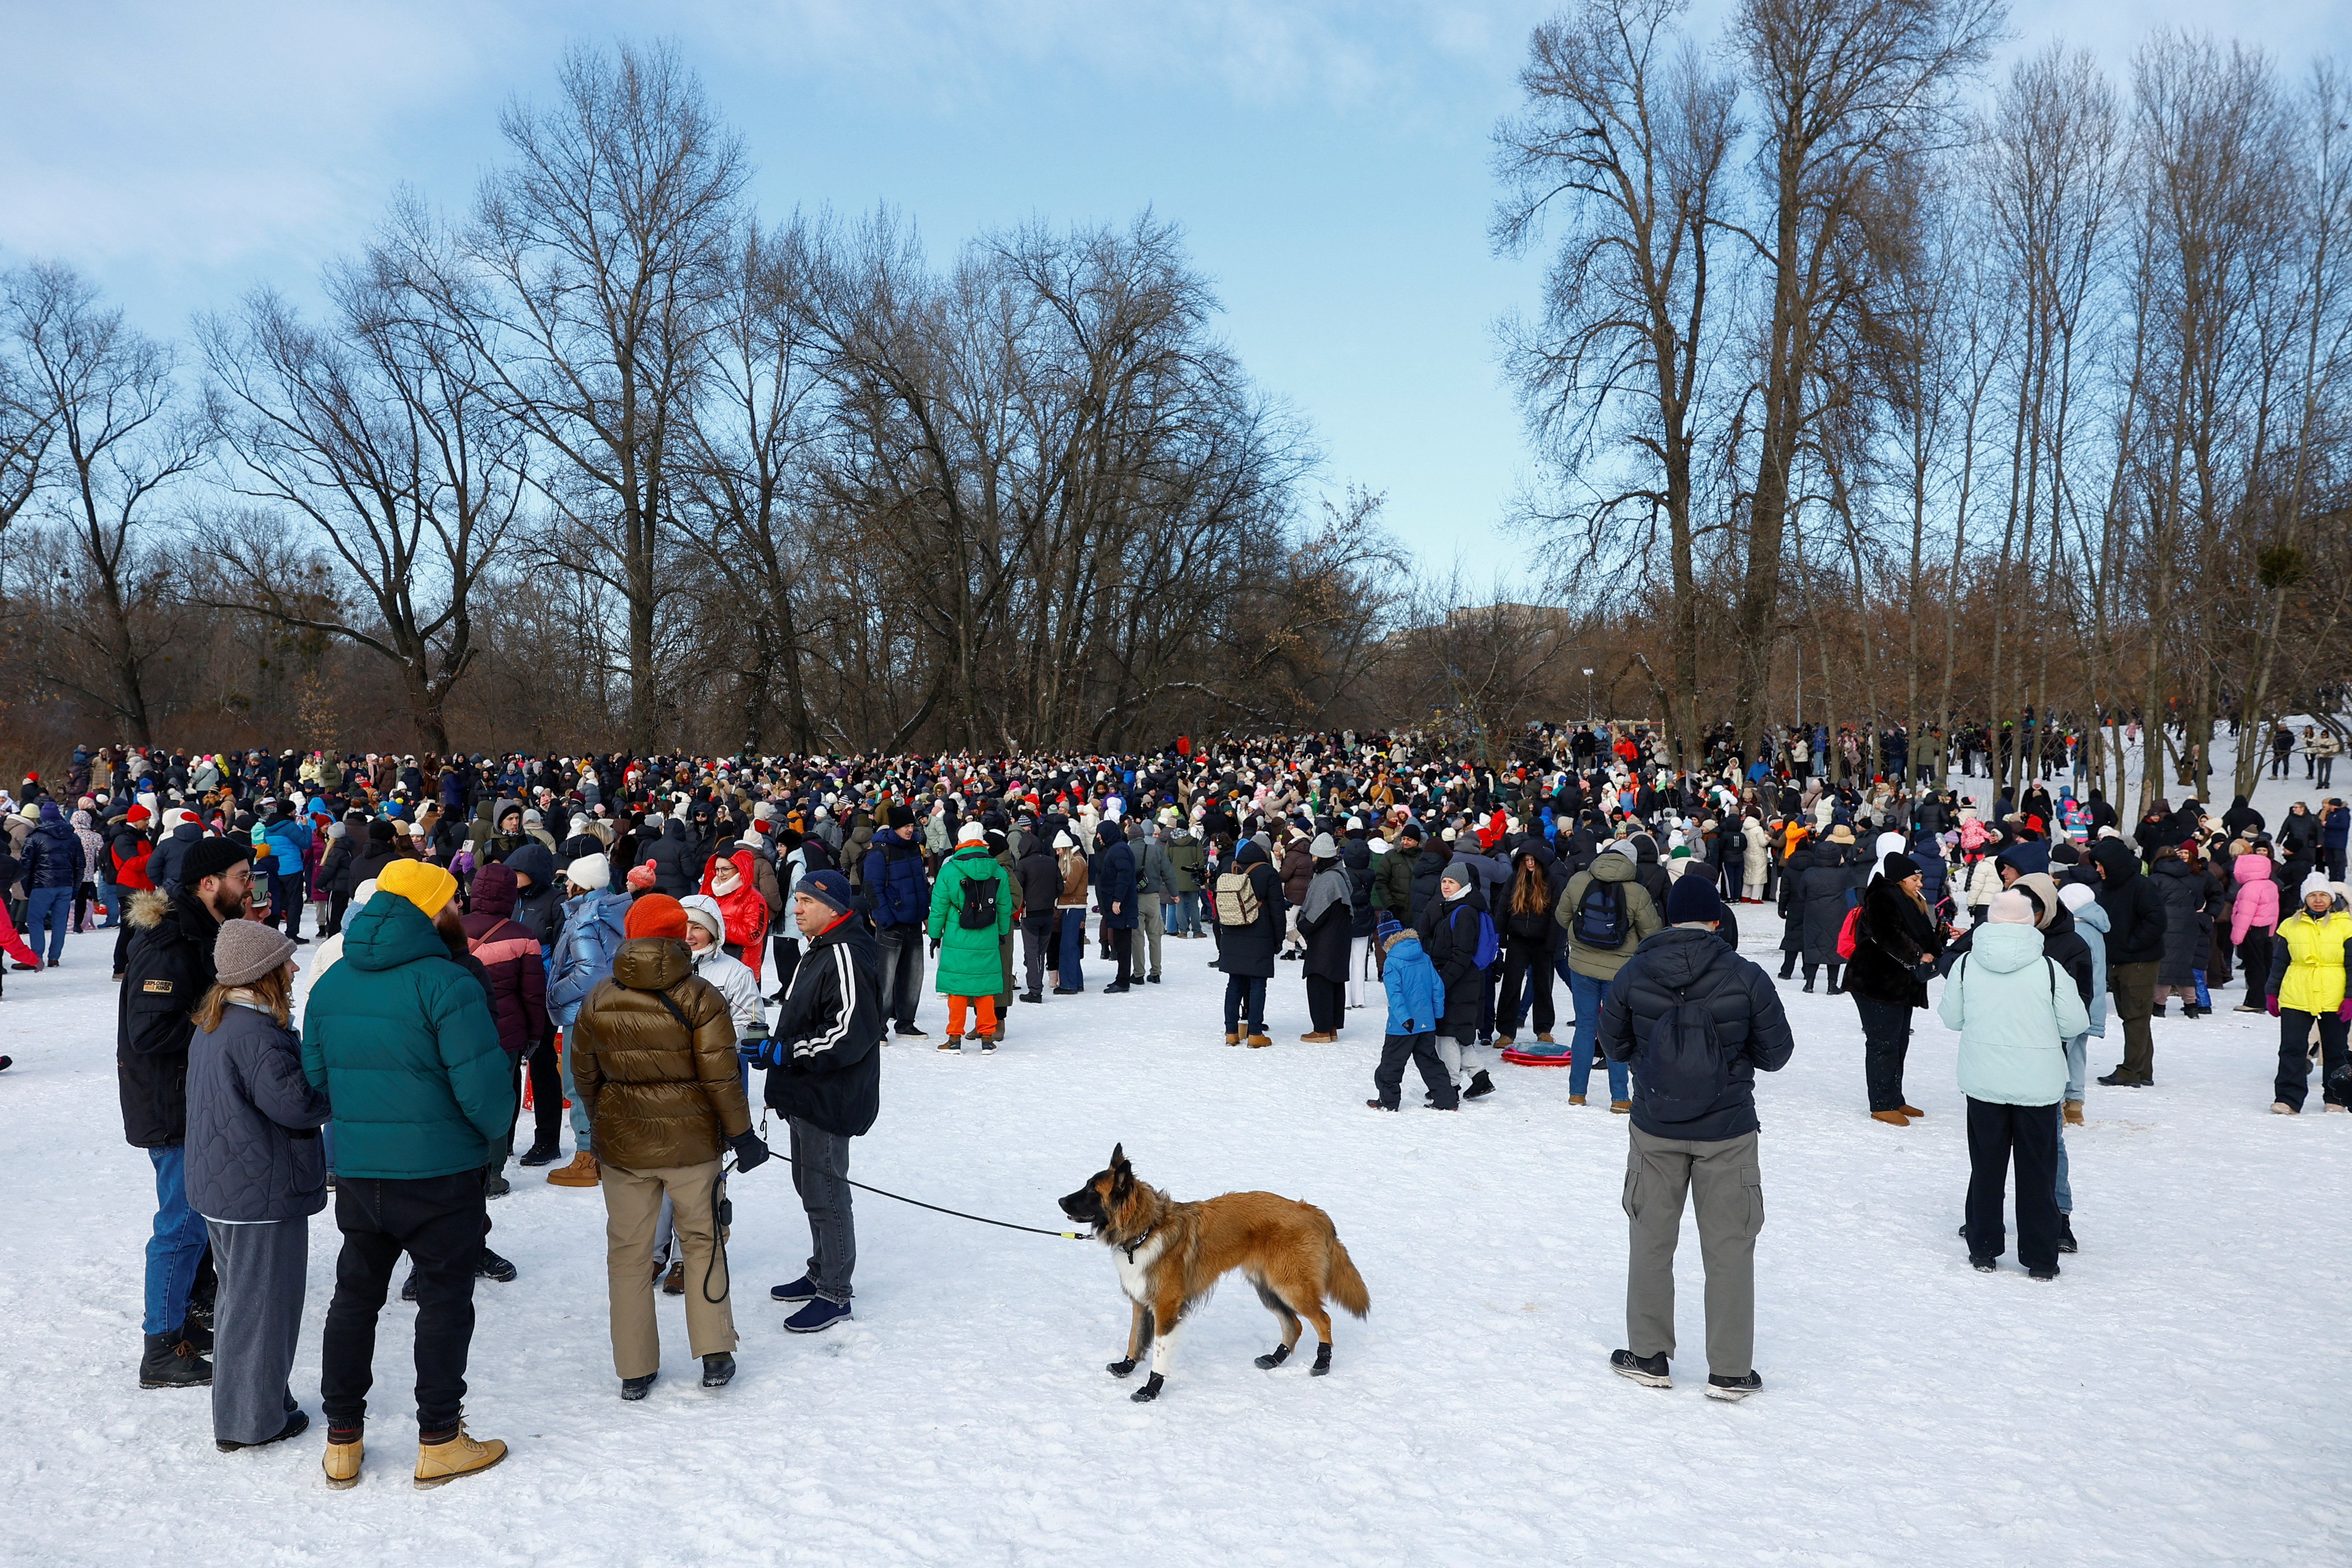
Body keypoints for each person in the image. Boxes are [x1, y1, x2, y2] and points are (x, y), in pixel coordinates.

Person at [303, 859, 513, 1490]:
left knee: (354, 1298)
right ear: (433, 909)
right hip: (440, 1173)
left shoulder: (335, 978)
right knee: (445, 1302)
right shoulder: (447, 982)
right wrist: (482, 1133)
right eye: (452, 901)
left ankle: (343, 1440)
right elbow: (488, 1096)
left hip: (362, 1171)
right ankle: (440, 1439)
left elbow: (317, 1079)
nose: (460, 909)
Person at [1599, 874, 1795, 1401]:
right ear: (1714, 919)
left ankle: (1647, 1354)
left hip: (1654, 1127)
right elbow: (1776, 1055)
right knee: (1730, 1245)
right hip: (1727, 1128)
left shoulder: (1633, 971)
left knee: (1650, 1238)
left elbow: (1612, 1048)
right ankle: (1729, 1370)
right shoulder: (1746, 976)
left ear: (1667, 918)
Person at [569, 892, 767, 1397]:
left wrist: (604, 1123)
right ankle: (715, 1350)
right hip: (692, 1146)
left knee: (629, 1254)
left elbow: (584, 1075)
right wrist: (742, 1136)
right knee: (704, 1241)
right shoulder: (701, 996)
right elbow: (722, 1077)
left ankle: (634, 1367)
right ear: (679, 935)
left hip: (625, 1146)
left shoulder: (598, 996)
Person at [183, 919, 327, 1452]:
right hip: (258, 1192)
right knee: (263, 1306)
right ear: (263, 974)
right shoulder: (258, 1036)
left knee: (243, 1302)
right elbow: (297, 1106)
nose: (294, 968)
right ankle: (250, 1421)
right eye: (285, 961)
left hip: (228, 1188)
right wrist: (331, 1084)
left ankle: (262, 1398)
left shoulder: (219, 1021)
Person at [120, 835, 257, 1390]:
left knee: (196, 1220)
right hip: (171, 1106)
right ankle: (160, 1347)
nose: (249, 887)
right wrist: (223, 1019)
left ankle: (181, 1324)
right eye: (242, 876)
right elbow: (149, 1031)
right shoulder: (171, 941)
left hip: (192, 1099)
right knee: (179, 1224)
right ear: (209, 883)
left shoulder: (202, 931)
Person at [751, 870, 881, 1332]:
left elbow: (851, 1033)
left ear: (832, 906)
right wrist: (773, 1045)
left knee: (827, 1195)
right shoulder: (822, 949)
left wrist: (787, 1051)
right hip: (808, 1092)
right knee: (811, 1191)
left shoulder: (845, 951)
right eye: (796, 901)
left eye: (805, 901)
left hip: (831, 1096)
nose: (797, 910)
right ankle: (820, 1271)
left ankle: (835, 1293)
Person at [1938, 888, 2089, 1278]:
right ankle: (2040, 1258)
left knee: (1986, 1166)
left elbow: (1952, 1018)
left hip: (1983, 1079)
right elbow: (2074, 1023)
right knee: (2038, 1172)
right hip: (2038, 1084)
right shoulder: (2050, 969)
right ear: (2031, 921)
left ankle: (1984, 1249)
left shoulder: (1967, 964)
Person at [458, 861, 550, 1194]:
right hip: (506, 1031)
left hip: (458, 1028)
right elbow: (532, 992)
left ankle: (461, 1165)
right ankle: (493, 1173)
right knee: (499, 1096)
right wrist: (535, 1033)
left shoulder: (452, 928)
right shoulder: (524, 935)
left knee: (459, 1094)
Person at [545, 853, 632, 1186]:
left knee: (577, 1082)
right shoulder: (612, 909)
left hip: (583, 1012)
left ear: (582, 884)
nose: (565, 884)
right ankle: (606, 1151)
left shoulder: (584, 918)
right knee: (603, 1082)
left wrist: (554, 994)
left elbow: (589, 972)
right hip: (611, 1008)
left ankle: (587, 1158)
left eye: (569, 879)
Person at [1556, 840, 1662, 1110]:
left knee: (1584, 1027)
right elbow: (1652, 932)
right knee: (1615, 1031)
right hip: (1620, 972)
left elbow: (1561, 917)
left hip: (1581, 966)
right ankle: (1619, 1098)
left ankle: (1577, 1093)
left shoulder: (1579, 880)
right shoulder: (1636, 891)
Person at [1844, 852, 1945, 1126]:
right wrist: (1917, 955)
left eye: (1921, 878)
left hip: (1898, 982)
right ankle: (1882, 1103)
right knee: (1883, 1042)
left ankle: (1894, 1097)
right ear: (1900, 880)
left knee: (1899, 1040)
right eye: (1915, 879)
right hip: (1874, 980)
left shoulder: (1910, 900)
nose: (1920, 883)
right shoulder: (1882, 897)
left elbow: (1918, 935)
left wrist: (1941, 939)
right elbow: (1887, 935)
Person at [2265, 873, 2352, 1114]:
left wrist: (2350, 997)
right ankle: (2288, 1099)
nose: (2318, 900)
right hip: (2296, 994)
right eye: (2313, 895)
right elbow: (2279, 963)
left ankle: (2336, 1098)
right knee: (2292, 1048)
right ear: (2305, 899)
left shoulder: (2346, 926)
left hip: (2334, 995)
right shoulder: (2290, 926)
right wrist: (2272, 993)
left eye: (2323, 895)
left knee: (2337, 1050)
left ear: (2331, 899)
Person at [929, 821, 1015, 1050]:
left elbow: (938, 907)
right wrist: (1002, 932)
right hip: (987, 935)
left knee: (957, 989)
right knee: (986, 989)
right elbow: (1005, 906)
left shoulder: (949, 870)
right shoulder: (998, 870)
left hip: (958, 936)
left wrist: (935, 935)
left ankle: (955, 1038)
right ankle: (988, 1038)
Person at [1417, 859, 1497, 1101]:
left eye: (1452, 882)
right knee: (1457, 1033)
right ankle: (1480, 1077)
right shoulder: (1452, 906)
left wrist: (1441, 981)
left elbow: (1462, 954)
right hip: (1460, 980)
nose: (1446, 886)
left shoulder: (1464, 912)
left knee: (1447, 1035)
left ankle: (1449, 1086)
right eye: (1444, 881)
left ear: (1463, 885)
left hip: (1458, 982)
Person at [2091, 838, 2166, 1088]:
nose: (2098, 870)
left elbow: (2157, 922)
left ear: (2113, 864)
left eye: (2101, 865)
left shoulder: (2141, 887)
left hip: (2139, 962)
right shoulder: (2110, 887)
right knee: (2136, 1016)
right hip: (2121, 961)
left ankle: (2129, 1071)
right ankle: (2143, 1070)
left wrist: (2130, 945)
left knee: (2136, 1017)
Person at [1365, 913, 1456, 1110]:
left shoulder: (1392, 962)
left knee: (1391, 1065)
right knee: (1430, 1060)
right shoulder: (1423, 956)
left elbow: (1395, 994)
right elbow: (1437, 987)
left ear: (1386, 941)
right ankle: (1447, 1100)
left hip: (1402, 1025)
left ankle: (1388, 1103)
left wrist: (1405, 1019)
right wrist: (1437, 1014)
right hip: (1427, 1021)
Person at [860, 803, 930, 1037]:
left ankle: (906, 1022)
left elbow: (921, 883)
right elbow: (872, 889)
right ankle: (878, 1026)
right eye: (905, 826)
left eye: (912, 825)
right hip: (892, 923)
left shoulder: (914, 849)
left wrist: (926, 914)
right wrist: (885, 919)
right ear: (895, 827)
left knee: (914, 977)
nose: (910, 830)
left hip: (914, 922)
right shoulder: (880, 851)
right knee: (886, 977)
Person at [1214, 838, 1282, 1046]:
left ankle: (1232, 1033)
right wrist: (1278, 940)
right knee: (1258, 985)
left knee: (1234, 984)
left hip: (1232, 935)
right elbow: (1277, 911)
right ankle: (1255, 1033)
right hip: (1260, 936)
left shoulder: (1229, 870)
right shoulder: (1269, 873)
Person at [1296, 831, 1353, 1041]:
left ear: (1321, 857)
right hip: (1340, 938)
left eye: (1314, 857)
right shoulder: (1340, 875)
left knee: (1318, 981)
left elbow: (1316, 914)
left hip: (1325, 940)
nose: (1312, 861)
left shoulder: (1327, 880)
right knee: (1335, 982)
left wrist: (1300, 928)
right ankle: (1332, 1028)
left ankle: (1321, 1030)